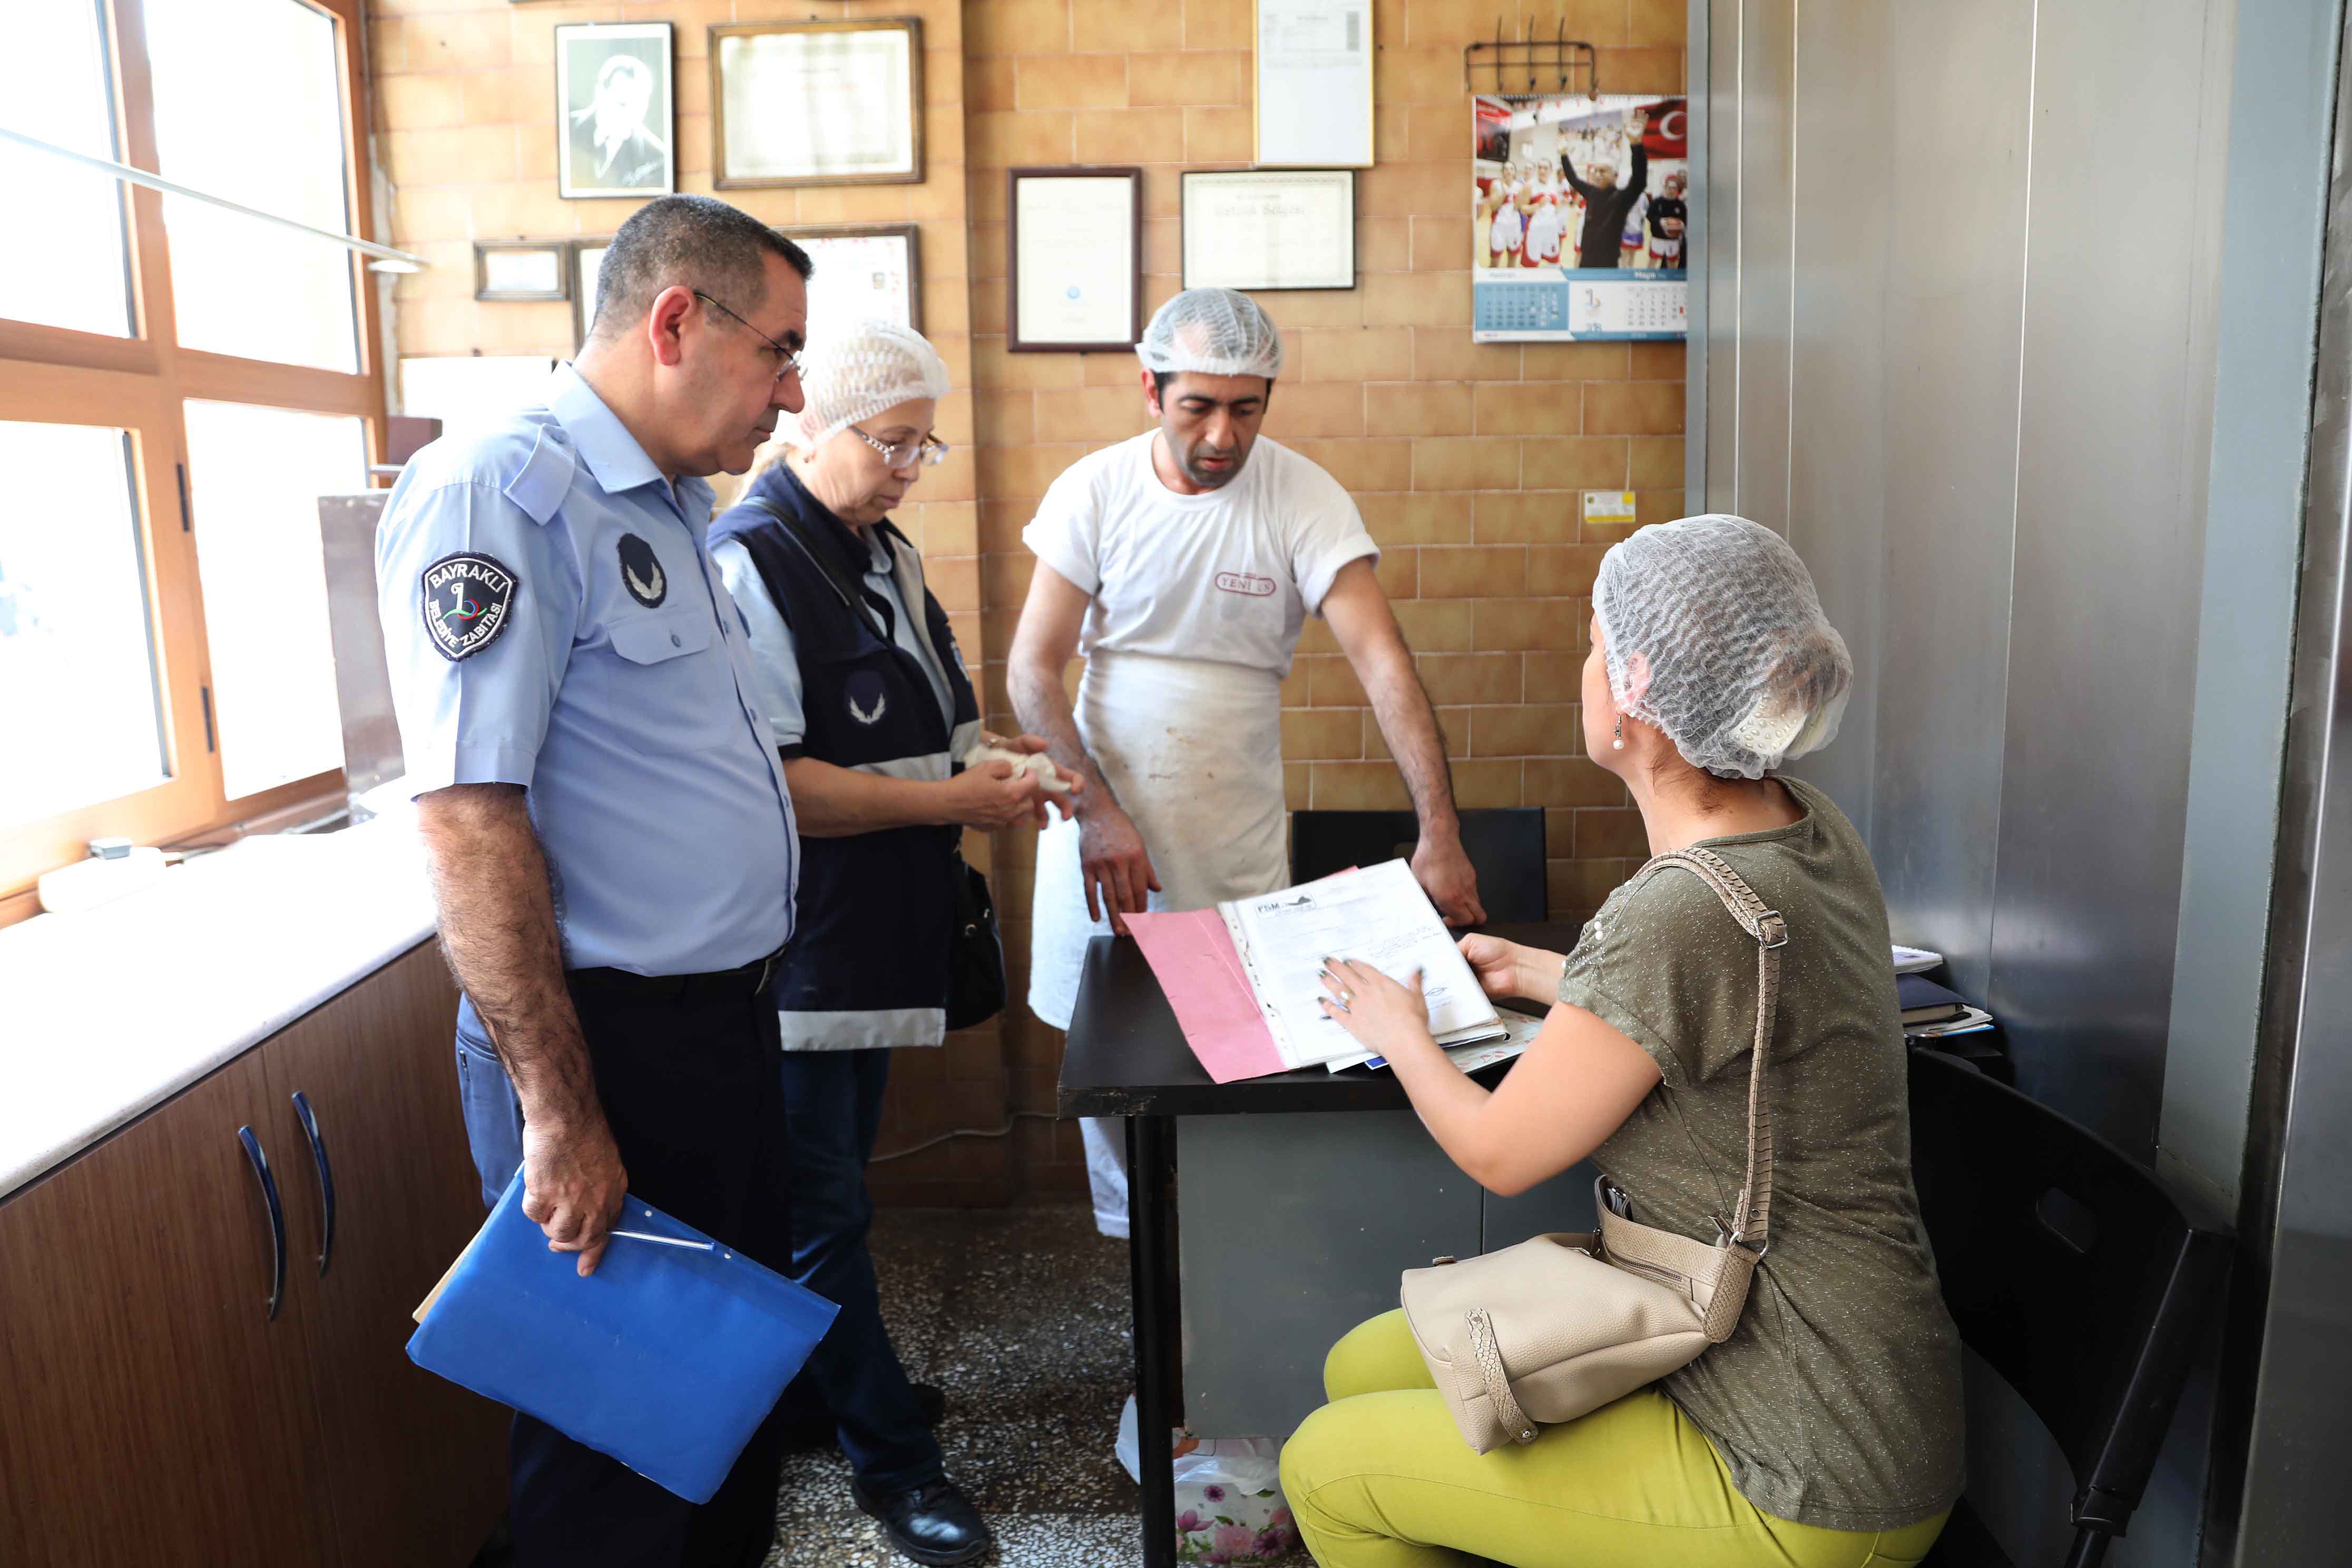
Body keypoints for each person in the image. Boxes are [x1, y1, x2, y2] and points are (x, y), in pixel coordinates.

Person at [1279, 515, 1963, 1566]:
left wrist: (1399, 1031)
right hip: (1839, 1374)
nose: (1583, 667)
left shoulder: (1676, 914)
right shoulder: (1804, 828)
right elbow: (1741, 1012)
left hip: (1803, 1469)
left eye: (1594, 645)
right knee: (1367, 1365)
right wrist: (1542, 975)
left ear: (1635, 686)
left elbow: (1500, 1153)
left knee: (1329, 1468)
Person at [375, 193, 812, 1568]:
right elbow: (470, 820)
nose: (793, 396)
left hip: (722, 1030)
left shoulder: (677, 503)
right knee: (610, 1461)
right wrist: (559, 1115)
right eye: (779, 353)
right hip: (602, 1048)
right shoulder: (502, 493)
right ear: (677, 321)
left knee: (723, 1419)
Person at [1008, 287, 1487, 1239]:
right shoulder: (1093, 491)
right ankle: (1136, 1260)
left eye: (1246, 406)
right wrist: (1096, 812)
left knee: (1237, 1035)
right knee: (1105, 1041)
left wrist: (1440, 832)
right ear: (1149, 390)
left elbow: (1382, 663)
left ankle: (1225, 1267)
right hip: (1104, 817)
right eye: (1197, 406)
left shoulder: (1301, 496)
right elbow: (1032, 669)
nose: (1222, 433)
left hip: (1231, 821)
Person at [707, 320, 1072, 1566]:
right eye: (891, 439)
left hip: (885, 939)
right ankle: (893, 1469)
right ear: (811, 424)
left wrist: (1004, 765)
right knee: (823, 1214)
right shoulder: (751, 561)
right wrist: (950, 804)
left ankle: (823, 1392)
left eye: (926, 440)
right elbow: (777, 785)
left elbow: (926, 726)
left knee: (834, 1198)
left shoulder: (880, 549)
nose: (913, 464)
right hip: (806, 948)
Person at [1561, 108, 1651, 268]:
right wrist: (1564, 155)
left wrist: (1636, 144)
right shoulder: (1592, 192)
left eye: (1603, 171)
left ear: (1615, 175)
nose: (1598, 175)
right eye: (1596, 171)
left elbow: (1639, 181)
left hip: (1608, 264)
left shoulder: (1622, 198)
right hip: (1586, 262)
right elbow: (1573, 179)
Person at [573, 52, 668, 188]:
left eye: (639, 104)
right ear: (600, 93)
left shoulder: (659, 156)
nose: (632, 116)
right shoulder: (568, 129)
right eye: (623, 104)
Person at [1649, 171, 1690, 270]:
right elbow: (1649, 216)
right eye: (1670, 188)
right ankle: (1648, 282)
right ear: (1665, 188)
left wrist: (1681, 226)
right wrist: (1661, 222)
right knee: (1653, 263)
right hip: (1658, 239)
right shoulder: (1657, 202)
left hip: (1673, 240)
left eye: (1674, 188)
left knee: (1672, 264)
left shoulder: (1681, 205)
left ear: (1677, 189)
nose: (1672, 190)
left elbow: (1685, 221)